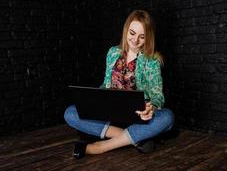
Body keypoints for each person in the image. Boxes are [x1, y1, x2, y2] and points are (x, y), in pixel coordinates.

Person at [64, 10, 175, 158]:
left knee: (167, 117)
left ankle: (101, 146)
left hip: (138, 117)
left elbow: (157, 96)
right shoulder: (113, 53)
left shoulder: (152, 60)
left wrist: (151, 107)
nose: (135, 40)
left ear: (148, 38)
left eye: (142, 37)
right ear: (126, 30)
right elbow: (106, 84)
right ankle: (133, 139)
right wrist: (94, 99)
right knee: (70, 113)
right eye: (132, 33)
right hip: (110, 114)